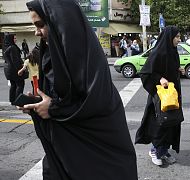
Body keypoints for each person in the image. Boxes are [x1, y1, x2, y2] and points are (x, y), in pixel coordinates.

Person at [22, 1, 138, 179]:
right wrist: (38, 105)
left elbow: (93, 104)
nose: (37, 32)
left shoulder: (89, 63)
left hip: (99, 159)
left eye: (40, 25)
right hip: (63, 156)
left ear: (60, 23)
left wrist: (53, 109)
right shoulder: (51, 56)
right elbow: (57, 100)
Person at [135, 26, 184, 166]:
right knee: (160, 123)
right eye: (177, 37)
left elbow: (168, 69)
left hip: (172, 95)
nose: (179, 40)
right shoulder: (158, 52)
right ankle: (155, 150)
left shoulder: (173, 52)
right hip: (160, 97)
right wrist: (159, 79)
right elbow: (146, 73)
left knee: (171, 122)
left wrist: (177, 70)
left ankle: (164, 150)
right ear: (169, 37)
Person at [3, 34, 26, 104]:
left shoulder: (6, 47)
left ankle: (12, 100)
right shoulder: (13, 47)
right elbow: (15, 60)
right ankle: (18, 100)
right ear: (10, 39)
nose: (15, 40)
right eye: (14, 38)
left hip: (9, 70)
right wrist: (20, 70)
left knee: (13, 85)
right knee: (20, 84)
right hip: (14, 70)